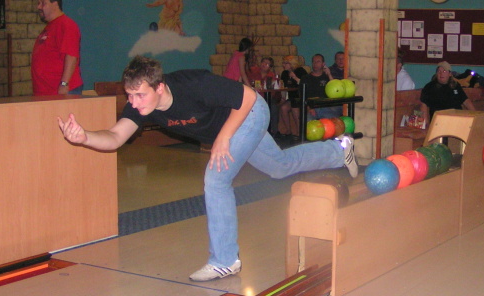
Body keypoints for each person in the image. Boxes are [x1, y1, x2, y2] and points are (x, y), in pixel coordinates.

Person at [57, 56, 358, 282]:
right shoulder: (140, 106)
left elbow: (248, 97)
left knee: (216, 179)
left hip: (250, 112)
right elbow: (115, 137)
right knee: (280, 166)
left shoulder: (193, 84)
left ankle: (225, 260)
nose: (134, 103)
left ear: (159, 87)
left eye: (140, 95)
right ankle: (340, 149)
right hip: (232, 125)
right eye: (130, 95)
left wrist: (223, 138)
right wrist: (85, 138)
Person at [31, 0, 83, 96]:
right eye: (38, 3)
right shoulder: (50, 27)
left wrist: (64, 84)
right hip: (45, 92)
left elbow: (71, 56)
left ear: (55, 4)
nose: (39, 7)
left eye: (43, 3)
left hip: (61, 91)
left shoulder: (66, 25)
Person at [301, 53, 342, 119]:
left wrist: (329, 74)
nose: (315, 64)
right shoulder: (305, 78)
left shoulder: (327, 77)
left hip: (327, 108)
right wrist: (308, 108)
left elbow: (336, 90)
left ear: (323, 64)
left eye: (318, 61)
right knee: (308, 120)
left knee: (333, 120)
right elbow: (302, 95)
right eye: (313, 62)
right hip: (312, 108)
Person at [249, 56, 280, 136]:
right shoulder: (253, 71)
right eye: (263, 62)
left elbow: (274, 91)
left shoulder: (272, 76)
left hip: (266, 97)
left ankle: (274, 131)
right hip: (253, 97)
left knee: (273, 107)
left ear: (270, 67)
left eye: (267, 64)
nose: (264, 64)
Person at [279, 55, 308, 138]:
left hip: (301, 97)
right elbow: (284, 87)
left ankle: (299, 131)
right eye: (283, 63)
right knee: (283, 107)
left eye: (286, 63)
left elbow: (305, 84)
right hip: (291, 97)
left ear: (292, 64)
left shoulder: (300, 71)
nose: (283, 65)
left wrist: (295, 77)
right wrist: (282, 98)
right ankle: (288, 130)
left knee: (294, 106)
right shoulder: (284, 73)